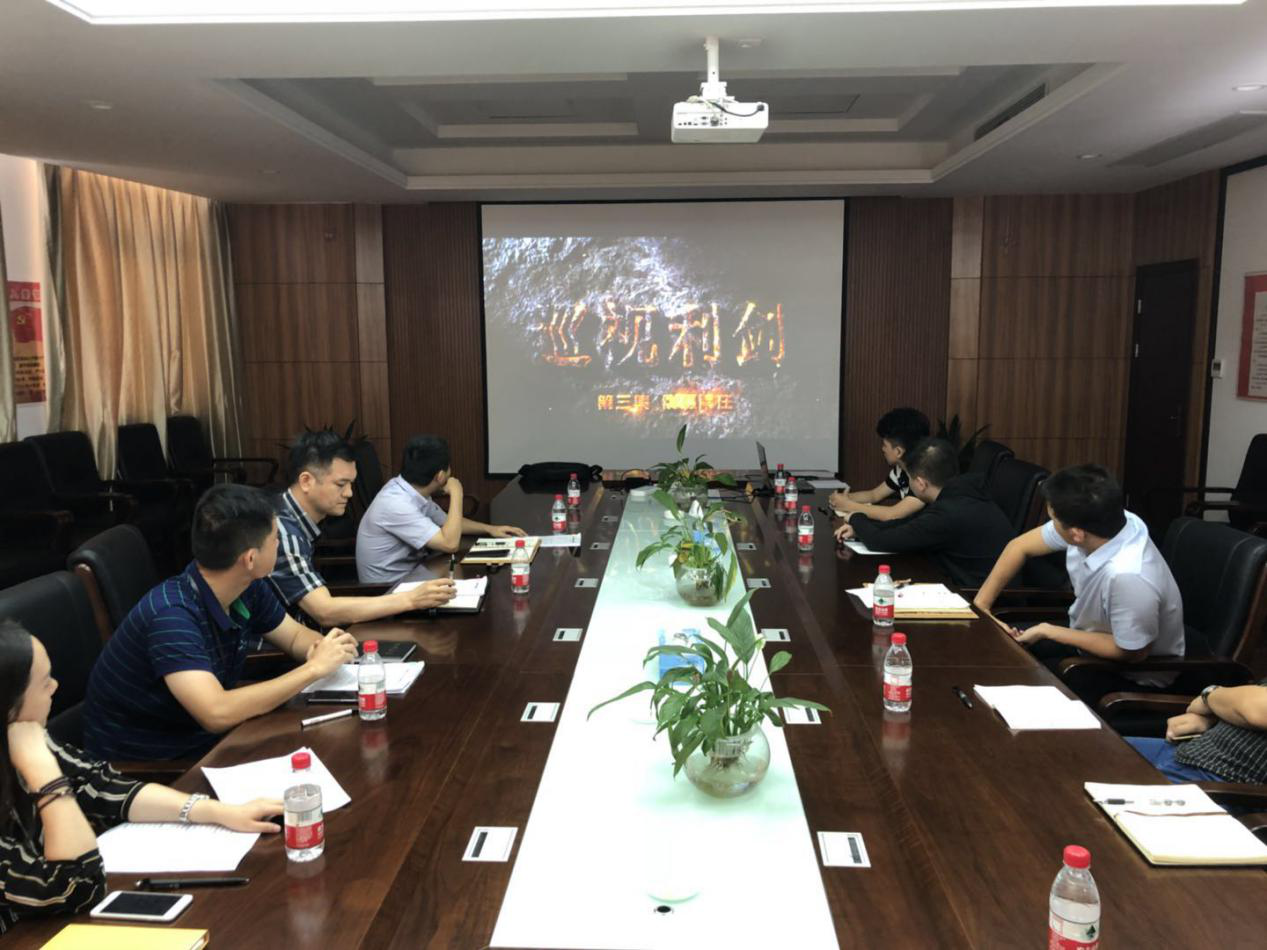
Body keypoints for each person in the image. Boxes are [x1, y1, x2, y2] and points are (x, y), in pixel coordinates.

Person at [0, 620, 282, 932]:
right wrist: (46, 776)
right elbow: (78, 885)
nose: (55, 686)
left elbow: (103, 786)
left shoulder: (26, 738)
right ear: (8, 706)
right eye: (44, 683)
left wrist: (218, 812)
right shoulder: (34, 752)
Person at [83, 484, 361, 762]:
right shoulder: (171, 616)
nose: (279, 543)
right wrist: (313, 670)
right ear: (250, 558)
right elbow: (216, 713)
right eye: (276, 537)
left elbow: (293, 637)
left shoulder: (247, 586)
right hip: (152, 765)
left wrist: (326, 650)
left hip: (205, 740)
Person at [973, 464, 1184, 689]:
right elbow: (1019, 547)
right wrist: (981, 606)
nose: (1050, 525)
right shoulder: (1106, 522)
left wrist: (1050, 631)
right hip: (1086, 637)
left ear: (1076, 534)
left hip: (1132, 676)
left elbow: (1133, 652)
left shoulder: (1128, 576)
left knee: (1014, 677)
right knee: (995, 648)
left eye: (1053, 519)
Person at [271, 429, 456, 627]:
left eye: (351, 484)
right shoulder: (282, 532)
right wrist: (411, 599)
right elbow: (324, 612)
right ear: (306, 481)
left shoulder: (289, 514)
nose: (349, 493)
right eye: (341, 484)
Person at [833, 438, 1014, 587]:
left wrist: (855, 517)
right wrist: (860, 528)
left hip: (971, 597)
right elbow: (907, 524)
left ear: (920, 483)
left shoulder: (948, 512)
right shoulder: (963, 493)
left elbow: (879, 541)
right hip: (958, 581)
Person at [356, 436, 526, 585]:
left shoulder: (411, 489)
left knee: (461, 569)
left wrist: (490, 529)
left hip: (414, 573)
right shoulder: (396, 504)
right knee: (462, 573)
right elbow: (450, 544)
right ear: (440, 476)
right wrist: (457, 493)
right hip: (388, 590)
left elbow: (447, 522)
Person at [1126, 681, 1267, 784]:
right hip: (1189, 750)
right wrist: (1212, 718)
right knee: (1111, 751)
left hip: (1221, 780)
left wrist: (1209, 695)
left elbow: (1259, 711)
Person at [828, 408, 930, 523]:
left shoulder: (924, 478)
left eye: (884, 445)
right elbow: (874, 495)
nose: (882, 449)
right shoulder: (901, 469)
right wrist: (844, 498)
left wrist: (848, 505)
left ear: (898, 452)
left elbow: (892, 514)